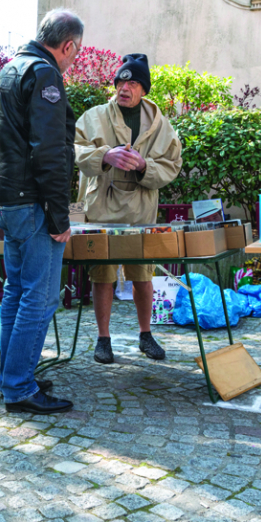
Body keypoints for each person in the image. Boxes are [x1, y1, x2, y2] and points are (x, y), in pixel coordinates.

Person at [0, 8, 84, 416]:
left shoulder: (8, 71)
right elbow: (49, 151)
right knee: (40, 299)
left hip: (8, 199)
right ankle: (19, 387)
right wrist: (60, 217)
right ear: (68, 46)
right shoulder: (44, 75)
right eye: (74, 54)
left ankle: (13, 377)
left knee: (16, 292)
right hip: (33, 203)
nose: (73, 60)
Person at [75, 53, 183, 364]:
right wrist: (105, 156)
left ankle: (146, 334)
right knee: (103, 275)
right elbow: (74, 148)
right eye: (121, 80)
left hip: (140, 213)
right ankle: (103, 338)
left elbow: (172, 164)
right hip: (101, 211)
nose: (125, 87)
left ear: (143, 89)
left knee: (142, 274)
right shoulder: (94, 117)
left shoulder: (161, 125)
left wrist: (145, 166)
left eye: (133, 82)